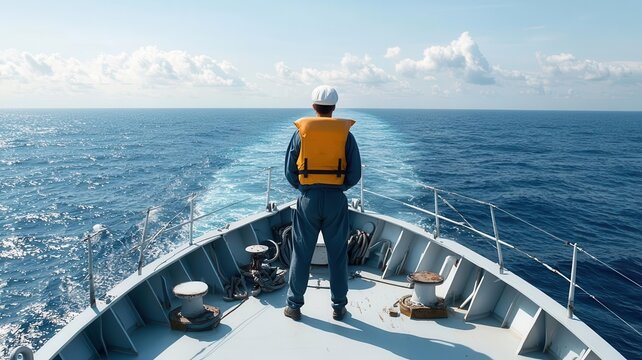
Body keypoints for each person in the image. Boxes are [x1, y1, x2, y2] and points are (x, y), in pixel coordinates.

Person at [283, 85, 361, 321]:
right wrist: (339, 187)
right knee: (337, 254)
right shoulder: (346, 135)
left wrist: (306, 188)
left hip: (308, 199)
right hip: (336, 199)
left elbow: (289, 171)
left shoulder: (300, 134)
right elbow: (355, 172)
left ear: (313, 107)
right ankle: (338, 307)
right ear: (334, 108)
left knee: (301, 253)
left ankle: (294, 306)